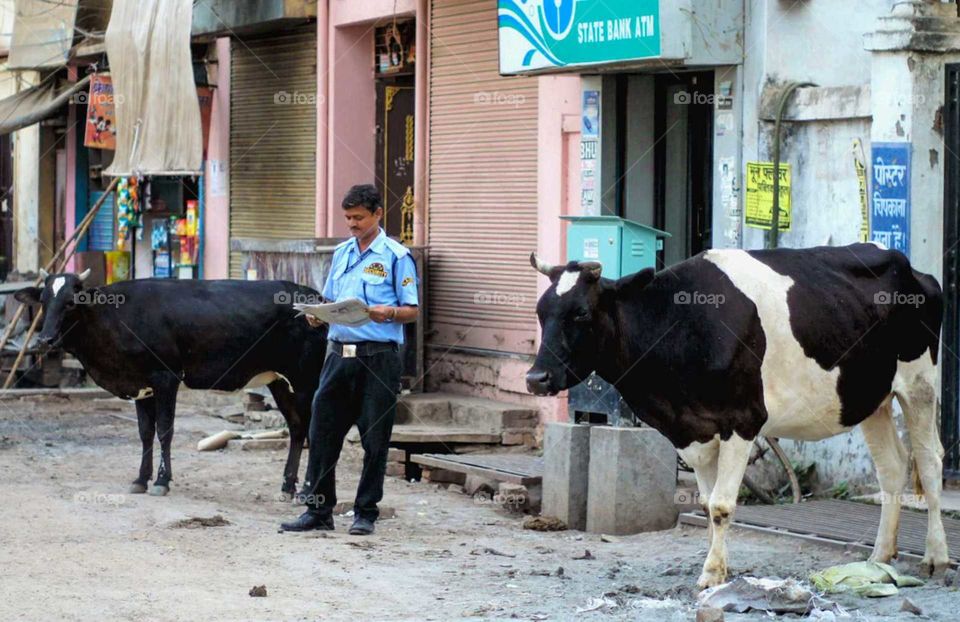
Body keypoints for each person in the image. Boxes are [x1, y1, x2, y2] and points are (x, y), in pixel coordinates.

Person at [281, 184, 419, 535]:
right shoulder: (341, 253)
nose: (353, 224)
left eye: (358, 217)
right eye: (348, 218)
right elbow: (330, 298)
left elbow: (412, 311)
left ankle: (366, 513)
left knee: (375, 440)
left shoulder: (396, 256)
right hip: (337, 357)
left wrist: (385, 313)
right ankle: (317, 511)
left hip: (379, 360)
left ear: (377, 214)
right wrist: (318, 315)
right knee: (322, 432)